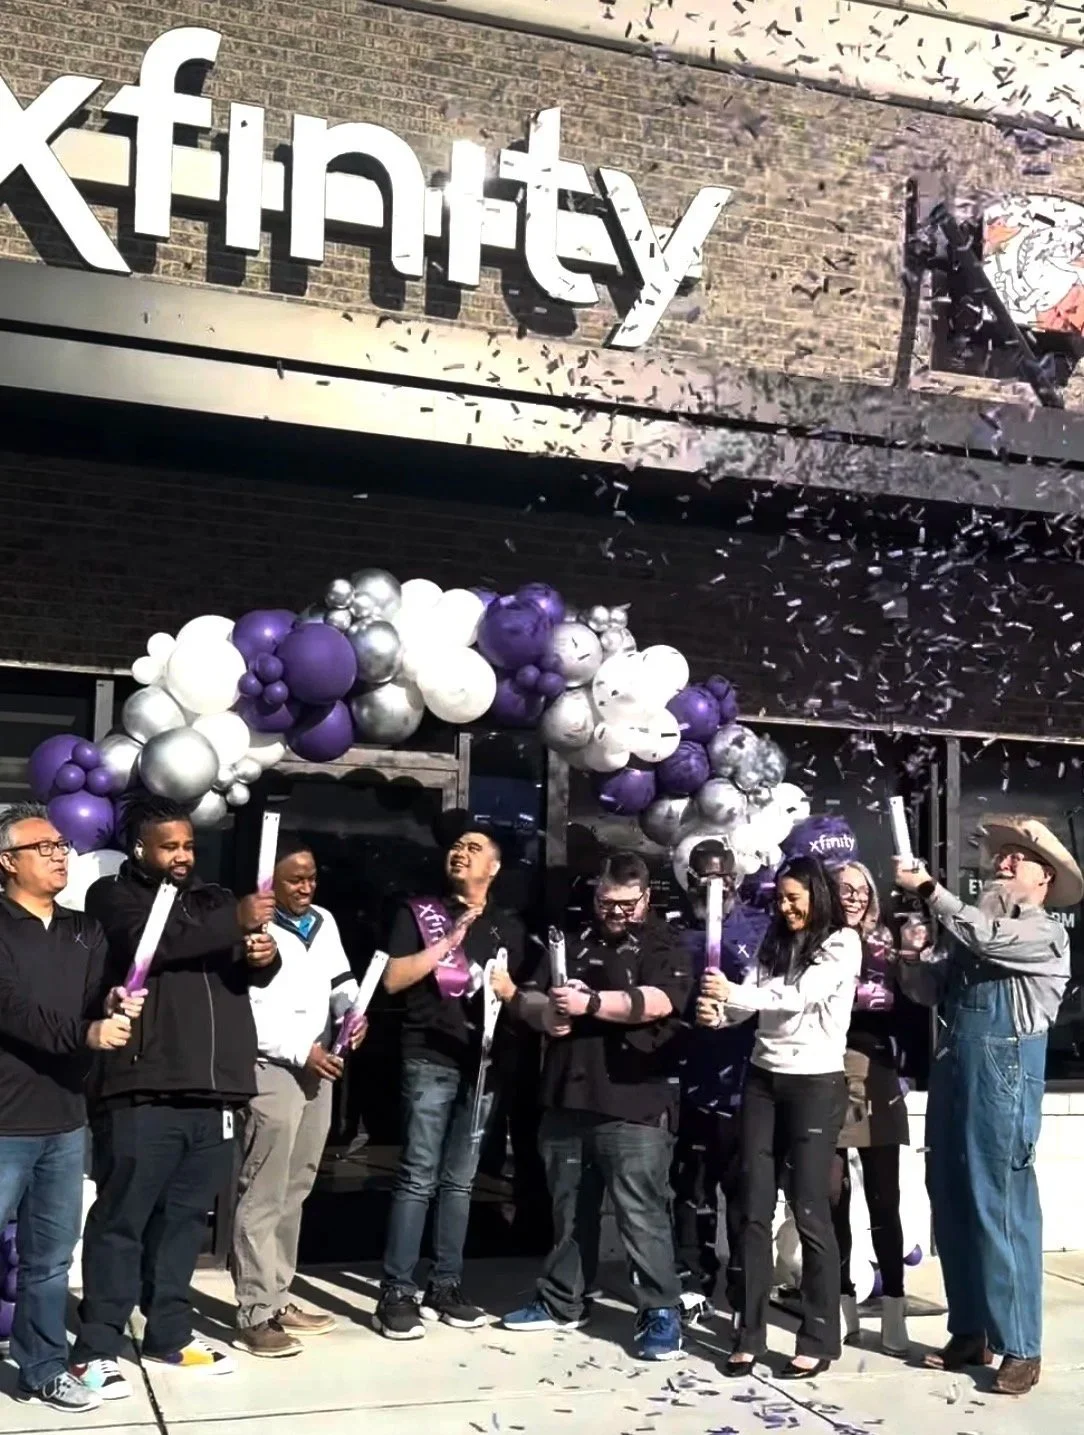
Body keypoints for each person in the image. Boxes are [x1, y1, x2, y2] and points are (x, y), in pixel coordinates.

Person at [72, 797, 279, 1398]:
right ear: (140, 848)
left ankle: (168, 1333)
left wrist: (264, 953)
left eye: (189, 845)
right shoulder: (113, 897)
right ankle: (99, 1345)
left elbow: (245, 966)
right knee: (122, 1220)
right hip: (144, 1086)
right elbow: (151, 943)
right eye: (170, 846)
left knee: (184, 1221)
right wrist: (236, 922)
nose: (183, 856)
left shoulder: (213, 900)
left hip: (214, 1093)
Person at [894, 815, 1081, 1397]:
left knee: (1001, 1207)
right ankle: (970, 1329)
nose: (1002, 864)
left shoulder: (1045, 935)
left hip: (1003, 1080)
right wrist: (911, 954)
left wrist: (928, 889)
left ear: (1044, 879)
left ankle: (1021, 1346)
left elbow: (986, 937)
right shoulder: (973, 932)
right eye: (1001, 856)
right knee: (951, 1200)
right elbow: (928, 991)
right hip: (955, 1071)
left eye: (1016, 858)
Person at [500, 851, 693, 1362]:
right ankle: (563, 1299)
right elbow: (529, 998)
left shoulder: (663, 941)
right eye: (609, 903)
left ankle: (659, 1311)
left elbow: (658, 1000)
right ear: (596, 896)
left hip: (634, 1099)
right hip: (567, 1093)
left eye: (628, 905)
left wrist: (588, 1004)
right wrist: (548, 1015)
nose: (617, 914)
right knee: (568, 1208)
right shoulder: (570, 937)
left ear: (646, 897)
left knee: (640, 1212)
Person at [698, 855, 860, 1380]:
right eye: (781, 899)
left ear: (817, 895)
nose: (786, 908)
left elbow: (797, 996)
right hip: (764, 1079)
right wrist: (720, 1011)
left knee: (810, 1209)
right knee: (752, 1207)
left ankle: (818, 1336)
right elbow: (751, 1003)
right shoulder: (773, 942)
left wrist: (736, 995)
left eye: (795, 898)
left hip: (816, 1084)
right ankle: (748, 1332)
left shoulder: (842, 942)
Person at [0, 803, 138, 1414]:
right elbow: (13, 1011)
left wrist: (109, 1002)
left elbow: (89, 1000)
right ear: (8, 862)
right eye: (44, 847)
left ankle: (42, 1368)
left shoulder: (87, 929)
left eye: (62, 846)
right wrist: (85, 1035)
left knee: (49, 1261)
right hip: (3, 1121)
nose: (60, 855)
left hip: (63, 1119)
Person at [374, 825, 530, 1340]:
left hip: (482, 1064)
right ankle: (396, 1290)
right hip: (429, 1057)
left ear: (496, 867)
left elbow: (522, 1003)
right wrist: (446, 943)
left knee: (461, 1180)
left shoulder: (510, 927)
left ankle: (446, 1283)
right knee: (418, 1174)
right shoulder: (419, 913)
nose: (460, 852)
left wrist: (510, 992)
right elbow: (393, 979)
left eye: (474, 848)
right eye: (456, 845)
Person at [230, 838, 368, 1358]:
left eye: (311, 876)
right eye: (295, 879)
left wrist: (353, 1011)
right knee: (263, 1187)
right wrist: (300, 1050)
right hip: (274, 1066)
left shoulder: (323, 920)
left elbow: (341, 980)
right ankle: (253, 1311)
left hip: (320, 1065)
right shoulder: (255, 929)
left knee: (298, 1183)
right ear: (271, 881)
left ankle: (278, 1292)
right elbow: (250, 1011)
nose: (306, 887)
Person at [670, 840, 769, 1334]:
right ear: (688, 879)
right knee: (691, 1189)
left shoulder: (760, 930)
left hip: (746, 1084)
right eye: (704, 877)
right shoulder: (671, 935)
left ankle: (743, 1289)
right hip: (691, 1084)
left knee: (745, 1194)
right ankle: (692, 1280)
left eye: (723, 877)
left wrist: (732, 1009)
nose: (715, 887)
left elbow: (774, 998)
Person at [830, 861, 910, 1355]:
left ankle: (895, 1306)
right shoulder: (814, 943)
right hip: (824, 1067)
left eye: (863, 889)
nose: (855, 897)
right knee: (831, 1193)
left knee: (884, 1197)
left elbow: (914, 999)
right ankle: (842, 1307)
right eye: (845, 890)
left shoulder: (890, 942)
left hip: (877, 1070)